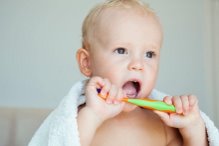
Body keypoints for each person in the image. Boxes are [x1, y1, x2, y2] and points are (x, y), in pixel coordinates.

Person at [29, 0, 219, 146]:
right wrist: (92, 116)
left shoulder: (164, 125)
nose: (138, 64)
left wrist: (193, 128)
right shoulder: (77, 122)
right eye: (121, 50)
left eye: (149, 54)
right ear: (87, 63)